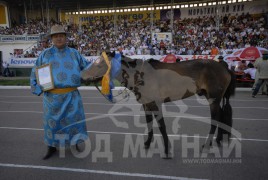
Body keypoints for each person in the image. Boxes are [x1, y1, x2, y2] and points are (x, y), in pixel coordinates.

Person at [30, 24, 91, 160]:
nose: (59, 38)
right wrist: (37, 88)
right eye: (56, 36)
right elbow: (35, 72)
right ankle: (51, 147)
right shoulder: (45, 55)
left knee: (74, 123)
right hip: (52, 98)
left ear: (65, 38)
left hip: (72, 97)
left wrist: (99, 68)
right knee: (52, 124)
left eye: (61, 36)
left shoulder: (75, 53)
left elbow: (87, 68)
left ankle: (75, 144)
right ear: (51, 38)